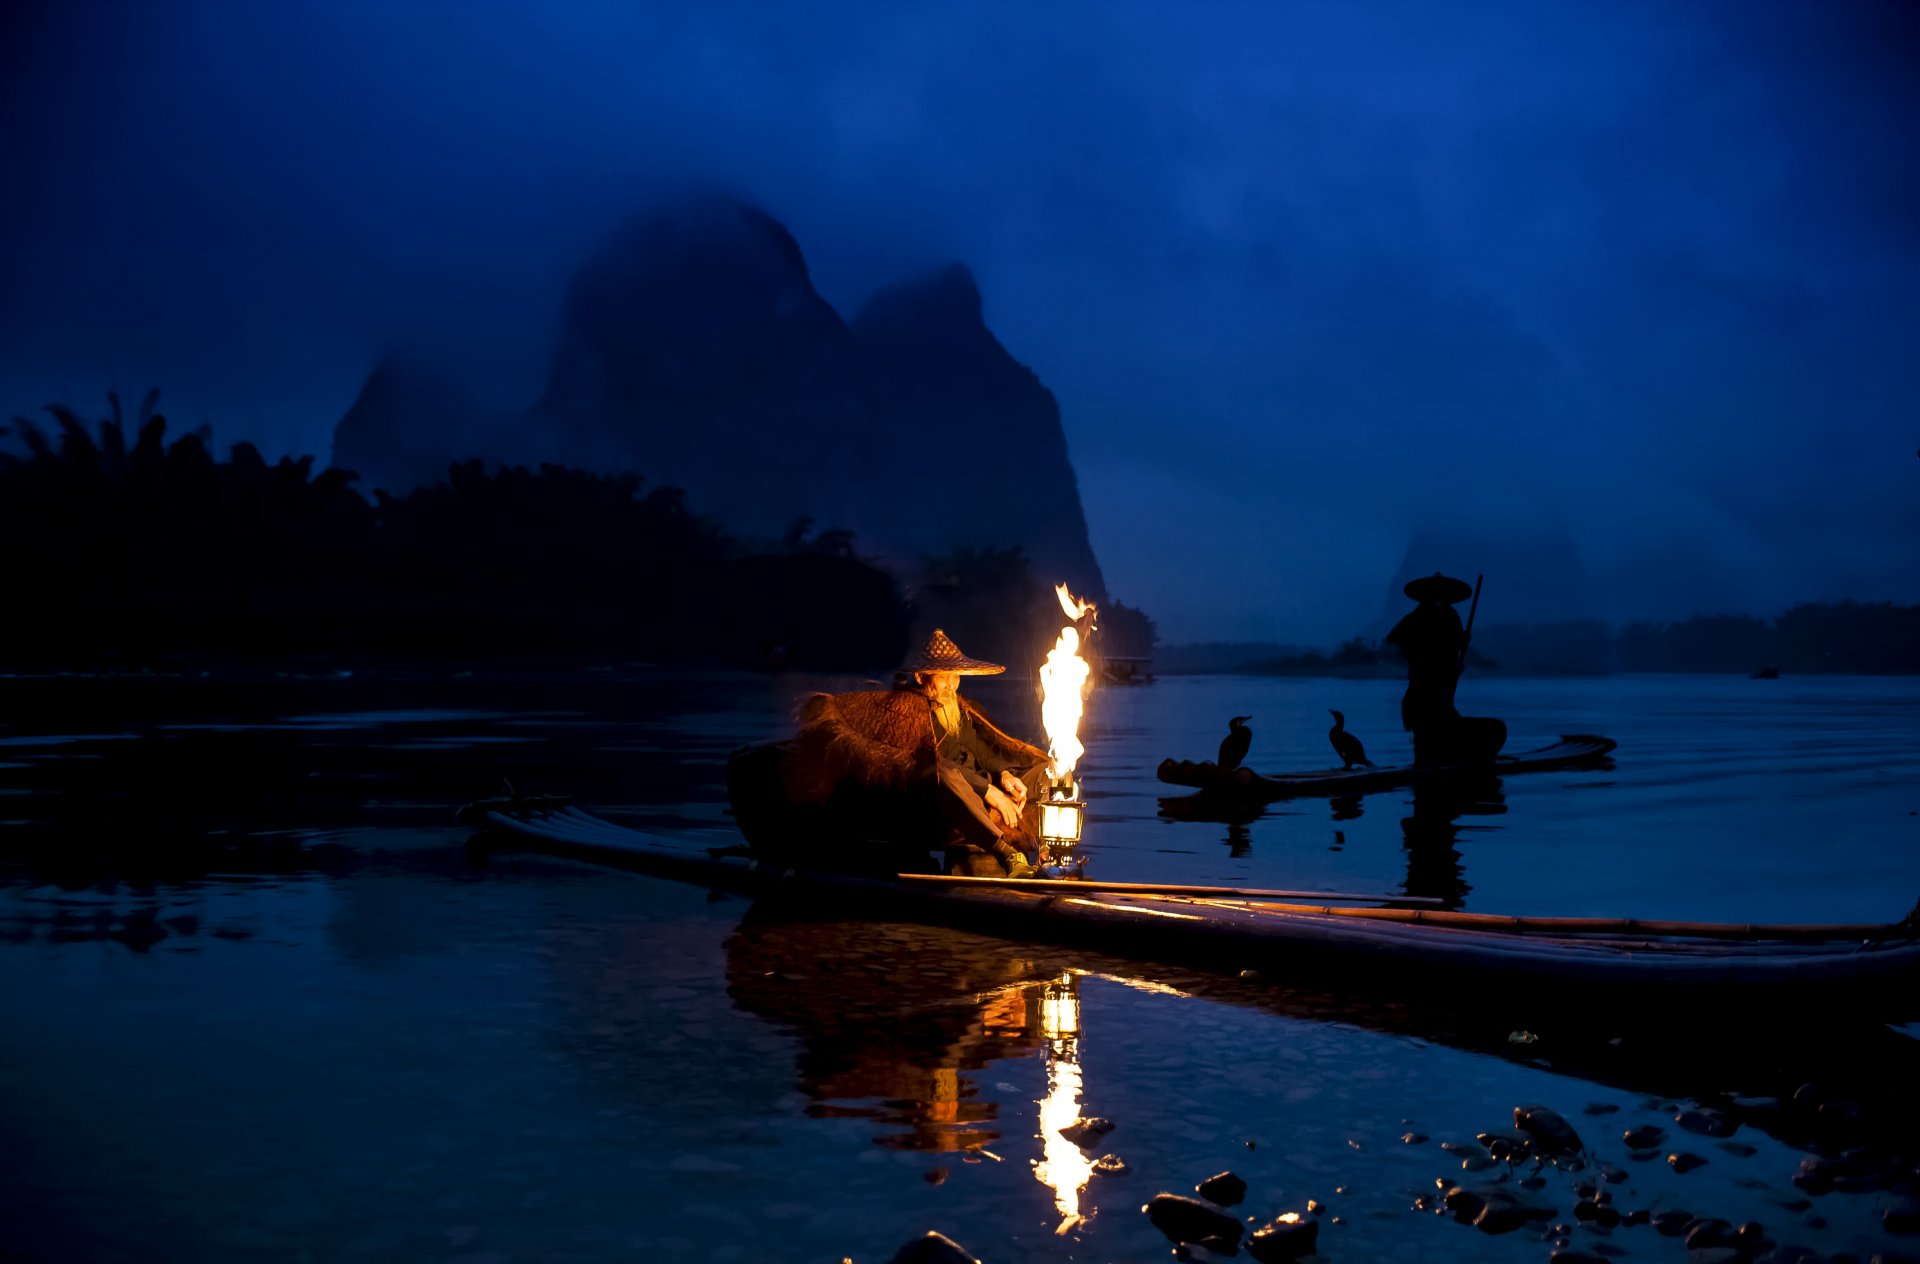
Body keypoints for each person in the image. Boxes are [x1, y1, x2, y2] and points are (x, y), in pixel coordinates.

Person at [897, 629, 1050, 878]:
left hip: (980, 790)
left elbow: (981, 750)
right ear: (921, 676)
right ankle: (1007, 853)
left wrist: (1005, 776)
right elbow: (930, 762)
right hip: (947, 802)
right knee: (941, 772)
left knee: (1047, 769)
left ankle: (1046, 855)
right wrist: (988, 791)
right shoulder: (910, 710)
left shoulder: (958, 709)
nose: (951, 684)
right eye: (943, 677)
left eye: (955, 675)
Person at [1385, 573, 1506, 766]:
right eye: (1436, 596)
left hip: (1443, 706)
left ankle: (1451, 759)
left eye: (1443, 596)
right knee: (1430, 742)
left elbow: (1452, 647)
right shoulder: (1417, 617)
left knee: (1496, 729)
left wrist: (1457, 658)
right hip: (1422, 705)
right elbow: (1394, 641)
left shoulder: (1450, 616)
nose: (1440, 600)